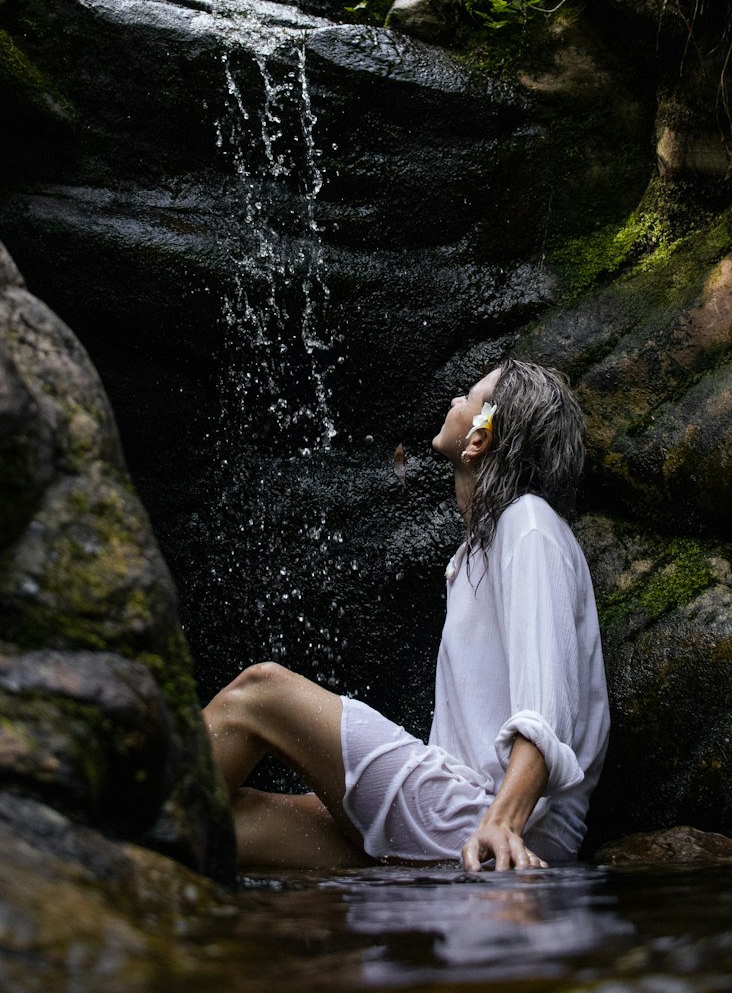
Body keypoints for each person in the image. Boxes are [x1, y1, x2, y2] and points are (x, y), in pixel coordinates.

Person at [203, 358, 610, 871]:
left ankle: (90, 832)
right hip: (461, 822)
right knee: (225, 826)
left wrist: (503, 822)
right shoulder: (476, 553)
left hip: (488, 819)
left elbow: (546, 706)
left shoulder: (528, 522)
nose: (455, 402)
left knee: (258, 694)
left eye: (470, 395)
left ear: (482, 436)